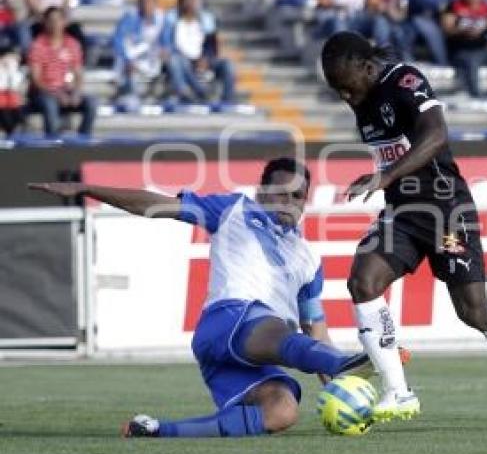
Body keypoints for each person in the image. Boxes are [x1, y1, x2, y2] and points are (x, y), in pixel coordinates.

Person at [29, 157, 375, 438]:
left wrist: (342, 390)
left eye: (297, 196)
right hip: (228, 322)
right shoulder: (233, 210)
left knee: (281, 412)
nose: (288, 202)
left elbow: (315, 327)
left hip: (242, 355)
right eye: (280, 193)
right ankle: (345, 361)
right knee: (276, 328)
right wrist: (88, 189)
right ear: (260, 192)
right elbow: (156, 205)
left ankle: (154, 431)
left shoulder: (309, 259)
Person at [320, 31, 487, 419]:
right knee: (363, 280)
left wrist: (385, 176)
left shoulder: (405, 81)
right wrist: (385, 180)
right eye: (336, 90)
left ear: (367, 67)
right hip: (402, 214)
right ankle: (399, 391)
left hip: (446, 210)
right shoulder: (362, 97)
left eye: (347, 87)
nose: (345, 97)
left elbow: (437, 135)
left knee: (473, 312)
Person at [27, 6, 95, 136]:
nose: (55, 24)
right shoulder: (37, 46)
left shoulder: (72, 44)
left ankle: (83, 139)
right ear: (45, 23)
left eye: (58, 20)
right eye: (51, 20)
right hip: (44, 92)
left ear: (64, 22)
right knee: (50, 104)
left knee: (91, 103)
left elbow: (78, 74)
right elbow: (36, 79)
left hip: (66, 90)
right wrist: (56, 93)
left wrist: (76, 92)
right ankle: (53, 143)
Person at [163, 0, 236, 104]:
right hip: (182, 59)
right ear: (182, 0)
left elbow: (211, 45)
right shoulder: (173, 19)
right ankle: (197, 93)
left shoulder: (206, 20)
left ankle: (228, 100)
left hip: (201, 59)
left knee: (227, 64)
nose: (193, 2)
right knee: (175, 61)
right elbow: (168, 44)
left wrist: (206, 58)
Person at [112, 0, 167, 106]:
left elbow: (166, 42)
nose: (146, 4)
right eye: (143, 0)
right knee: (127, 68)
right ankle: (129, 95)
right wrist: (128, 60)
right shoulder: (130, 17)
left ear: (155, 1)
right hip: (132, 60)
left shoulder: (162, 19)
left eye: (149, 0)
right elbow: (118, 41)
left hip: (153, 59)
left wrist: (164, 51)